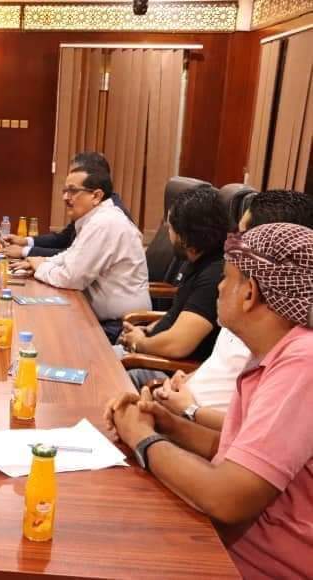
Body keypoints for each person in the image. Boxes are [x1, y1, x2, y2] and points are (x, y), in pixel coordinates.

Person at [104, 222, 313, 579]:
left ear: (250, 293)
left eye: (227, 278)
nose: (218, 286)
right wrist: (169, 425)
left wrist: (143, 439)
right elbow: (239, 453)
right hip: (228, 545)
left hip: (258, 565)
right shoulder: (275, 352)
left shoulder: (301, 364)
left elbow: (228, 497)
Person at [153, 189, 313, 426]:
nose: (233, 240)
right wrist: (187, 380)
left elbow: (244, 434)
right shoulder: (242, 316)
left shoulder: (287, 348)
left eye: (242, 233)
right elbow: (221, 365)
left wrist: (189, 411)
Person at [13, 161, 150, 342]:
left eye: (73, 191)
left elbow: (71, 278)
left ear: (96, 196)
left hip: (122, 328)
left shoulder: (105, 223)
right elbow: (72, 254)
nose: (65, 197)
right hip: (103, 319)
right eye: (65, 191)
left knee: (48, 339)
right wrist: (42, 261)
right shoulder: (96, 219)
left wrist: (41, 267)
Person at [116, 185, 229, 389]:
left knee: (102, 369)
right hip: (155, 351)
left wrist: (140, 343)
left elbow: (178, 344)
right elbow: (178, 315)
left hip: (170, 369)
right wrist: (146, 330)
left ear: (185, 236)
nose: (168, 233)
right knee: (93, 355)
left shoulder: (214, 276)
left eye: (170, 228)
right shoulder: (197, 261)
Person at [0, 151, 132, 258]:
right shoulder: (91, 208)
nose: (65, 197)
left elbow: (74, 258)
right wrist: (24, 242)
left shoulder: (108, 219)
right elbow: (64, 239)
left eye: (73, 188)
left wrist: (26, 252)